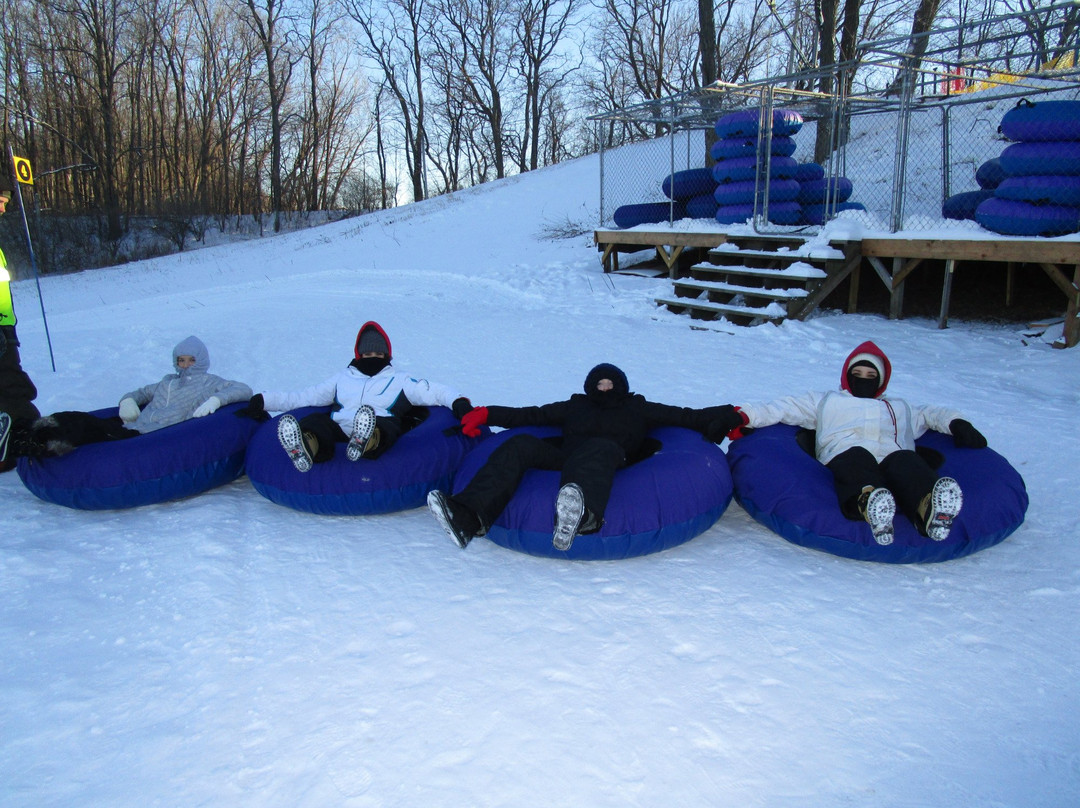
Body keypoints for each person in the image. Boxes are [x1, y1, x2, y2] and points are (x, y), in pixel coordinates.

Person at [427, 362, 743, 552]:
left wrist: (728, 416)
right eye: (599, 384)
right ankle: (469, 516)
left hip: (612, 458)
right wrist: (488, 413)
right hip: (567, 456)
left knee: (600, 447)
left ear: (623, 387)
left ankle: (583, 515)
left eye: (611, 384)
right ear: (590, 387)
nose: (605, 389)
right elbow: (533, 415)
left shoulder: (637, 407)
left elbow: (683, 416)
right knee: (522, 443)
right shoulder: (576, 406)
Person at [726, 340, 988, 545]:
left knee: (906, 460)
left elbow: (932, 414)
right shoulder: (828, 401)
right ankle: (870, 502)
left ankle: (928, 508)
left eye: (870, 374)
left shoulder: (899, 407)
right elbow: (783, 408)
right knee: (857, 459)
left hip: (891, 455)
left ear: (881, 380)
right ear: (847, 375)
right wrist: (744, 415)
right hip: (845, 454)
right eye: (857, 372)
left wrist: (957, 422)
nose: (863, 378)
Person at [236, 321, 473, 472]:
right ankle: (307, 445)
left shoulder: (399, 380)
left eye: (378, 353)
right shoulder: (342, 378)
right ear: (358, 354)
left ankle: (367, 440)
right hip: (342, 427)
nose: (373, 357)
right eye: (367, 352)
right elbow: (305, 397)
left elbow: (434, 391)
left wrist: (458, 402)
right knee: (315, 422)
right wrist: (266, 400)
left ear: (386, 355)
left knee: (386, 425)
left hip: (377, 424)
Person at [0, 335, 251, 460]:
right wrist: (128, 401)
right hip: (133, 427)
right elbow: (140, 393)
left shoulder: (210, 383)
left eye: (190, 360)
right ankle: (33, 432)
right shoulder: (167, 382)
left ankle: (39, 443)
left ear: (200, 361)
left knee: (88, 429)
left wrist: (216, 400)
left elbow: (243, 389)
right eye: (180, 360)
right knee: (81, 419)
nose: (184, 365)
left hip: (155, 436)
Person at [0, 184, 40, 471]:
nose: (3, 209)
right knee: (12, 388)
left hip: (5, 327)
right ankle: (28, 440)